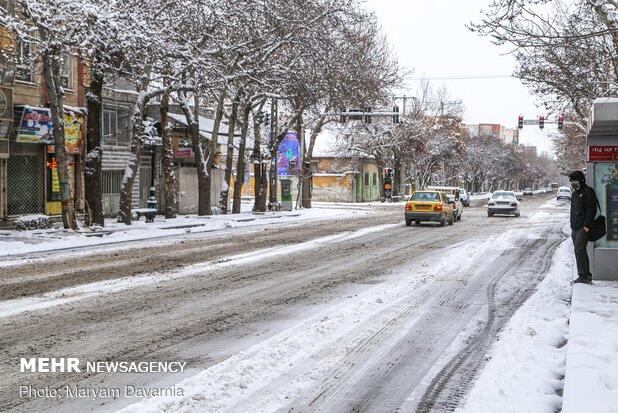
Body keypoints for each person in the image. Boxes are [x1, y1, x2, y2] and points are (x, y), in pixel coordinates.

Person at [568, 170, 598, 284]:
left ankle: (585, 276)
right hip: (575, 227)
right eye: (571, 181)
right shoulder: (575, 193)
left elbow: (591, 210)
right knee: (578, 251)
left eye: (574, 180)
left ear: (581, 180)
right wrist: (572, 226)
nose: (573, 183)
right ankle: (583, 274)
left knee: (579, 250)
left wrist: (586, 225)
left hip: (583, 227)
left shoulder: (588, 191)